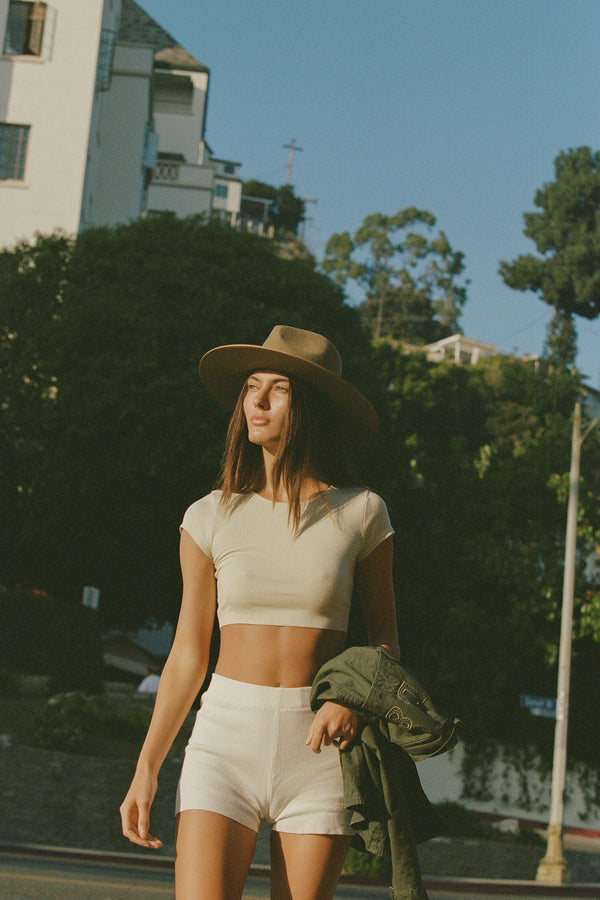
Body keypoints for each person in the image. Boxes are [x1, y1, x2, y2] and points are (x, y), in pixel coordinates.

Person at [120, 325, 401, 900]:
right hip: (224, 739)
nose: (259, 402)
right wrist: (147, 766)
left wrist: (352, 697)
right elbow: (188, 654)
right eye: (252, 387)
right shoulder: (208, 516)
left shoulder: (362, 512)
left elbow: (388, 642)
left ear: (310, 407)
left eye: (279, 389)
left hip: (319, 751)